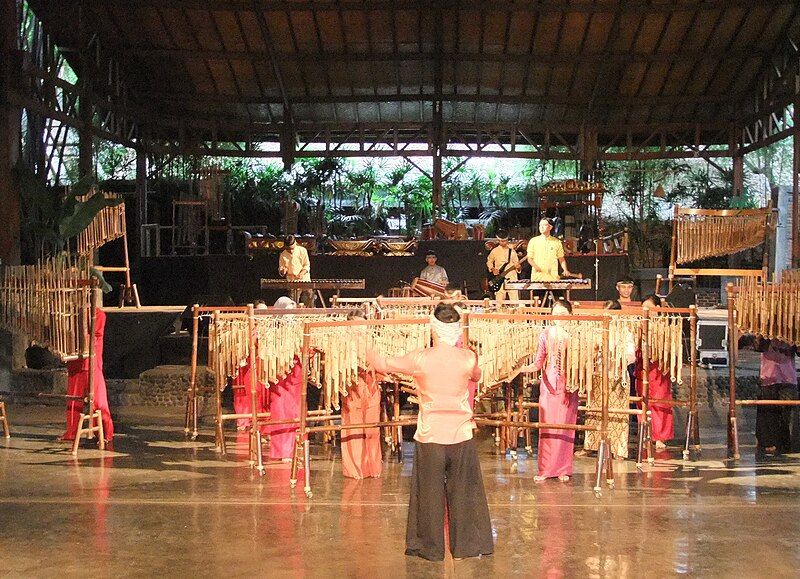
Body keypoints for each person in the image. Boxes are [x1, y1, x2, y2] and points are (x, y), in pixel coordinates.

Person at [367, 303, 493, 561]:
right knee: (464, 494)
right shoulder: (469, 358)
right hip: (461, 436)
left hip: (431, 436)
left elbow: (382, 363)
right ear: (457, 331)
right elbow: (477, 376)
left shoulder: (420, 358)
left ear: (434, 329)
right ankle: (467, 547)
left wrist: (364, 339)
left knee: (429, 495)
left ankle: (429, 547)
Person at [513, 299, 579, 482]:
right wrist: (520, 369)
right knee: (548, 427)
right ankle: (546, 469)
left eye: (563, 315)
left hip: (568, 385)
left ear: (570, 316)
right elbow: (538, 362)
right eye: (556, 314)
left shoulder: (575, 336)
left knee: (566, 427)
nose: (559, 318)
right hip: (549, 385)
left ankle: (564, 469)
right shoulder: (544, 334)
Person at [61, 289, 114, 444]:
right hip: (75, 362)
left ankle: (106, 433)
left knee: (98, 401)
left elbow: (95, 336)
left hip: (91, 361)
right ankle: (71, 432)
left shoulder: (98, 315)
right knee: (73, 399)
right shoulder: (71, 315)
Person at [584, 299, 632, 459]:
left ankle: (618, 450)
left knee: (617, 414)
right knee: (594, 411)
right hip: (598, 374)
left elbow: (631, 356)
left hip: (617, 376)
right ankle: (591, 445)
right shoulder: (597, 330)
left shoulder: (625, 332)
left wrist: (618, 358)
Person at [340, 310, 382, 479]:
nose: (360, 329)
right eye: (356, 325)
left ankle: (373, 467)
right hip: (352, 387)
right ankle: (355, 469)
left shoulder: (372, 341)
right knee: (353, 427)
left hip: (371, 386)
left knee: (372, 428)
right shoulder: (343, 343)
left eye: (362, 325)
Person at [267, 296, 303, 461]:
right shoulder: (271, 333)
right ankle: (282, 451)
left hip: (296, 378)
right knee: (281, 413)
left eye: (292, 314)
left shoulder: (299, 331)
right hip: (280, 378)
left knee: (296, 412)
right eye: (287, 313)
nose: (290, 318)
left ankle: (298, 448)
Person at [636, 294, 674, 449]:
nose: (647, 311)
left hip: (658, 369)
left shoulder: (665, 326)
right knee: (642, 402)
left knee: (659, 402)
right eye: (644, 308)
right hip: (642, 368)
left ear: (658, 308)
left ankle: (660, 437)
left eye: (650, 308)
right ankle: (645, 434)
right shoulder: (638, 325)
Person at [753, 336, 797, 454]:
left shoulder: (792, 331)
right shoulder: (765, 333)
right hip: (768, 376)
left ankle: (783, 442)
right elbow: (758, 347)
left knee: (785, 414)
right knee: (767, 411)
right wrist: (764, 335)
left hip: (787, 378)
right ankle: (767, 442)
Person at [232, 301, 270, 431]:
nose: (262, 315)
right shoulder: (246, 330)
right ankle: (251, 423)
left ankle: (265, 425)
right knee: (251, 397)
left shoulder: (270, 329)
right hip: (251, 367)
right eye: (259, 312)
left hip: (266, 368)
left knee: (265, 398)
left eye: (264, 312)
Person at [486, 229, 521, 302]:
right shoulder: (494, 251)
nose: (503, 243)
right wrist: (492, 269)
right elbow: (489, 261)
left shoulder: (512, 251)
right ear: (498, 240)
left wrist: (518, 267)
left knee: (514, 301)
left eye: (505, 241)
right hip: (499, 279)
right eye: (501, 241)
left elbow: (517, 264)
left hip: (512, 278)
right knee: (499, 301)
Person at [278, 235, 312, 307]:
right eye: (288, 249)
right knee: (293, 303)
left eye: (292, 248)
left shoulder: (302, 250)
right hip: (292, 281)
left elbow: (307, 265)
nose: (291, 251)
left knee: (309, 298)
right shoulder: (283, 255)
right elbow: (281, 270)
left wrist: (302, 273)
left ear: (295, 243)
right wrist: (283, 271)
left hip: (304, 279)